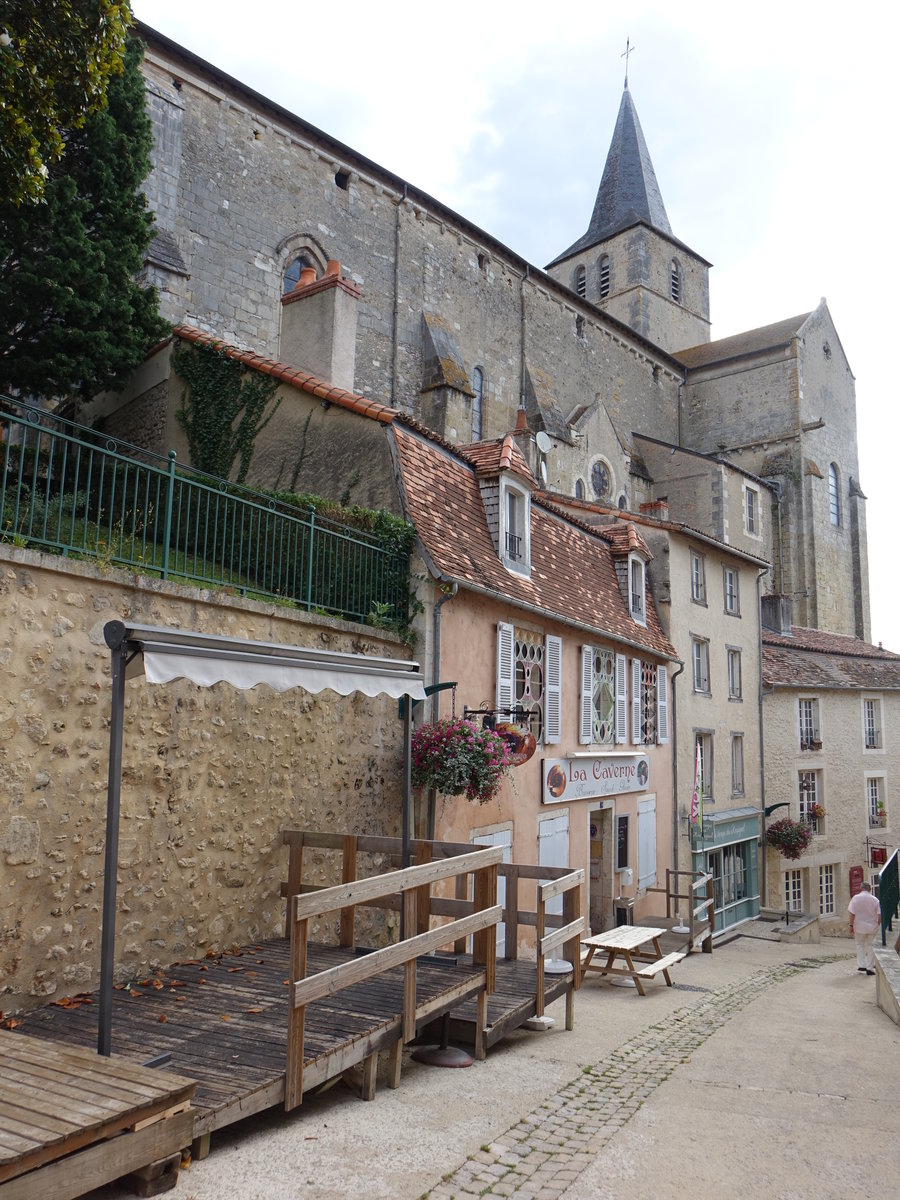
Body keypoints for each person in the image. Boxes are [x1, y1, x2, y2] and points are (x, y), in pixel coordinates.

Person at [847, 882, 881, 975]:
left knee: (859, 944)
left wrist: (851, 925)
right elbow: (879, 914)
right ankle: (869, 967)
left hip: (859, 926)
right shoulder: (875, 900)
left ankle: (861, 964)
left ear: (861, 888)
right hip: (872, 926)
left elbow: (852, 913)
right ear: (870, 889)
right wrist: (878, 924)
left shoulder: (855, 898)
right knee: (870, 946)